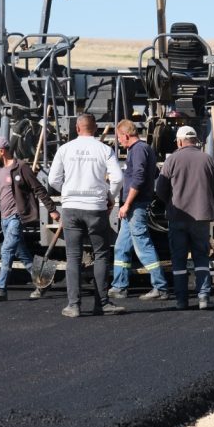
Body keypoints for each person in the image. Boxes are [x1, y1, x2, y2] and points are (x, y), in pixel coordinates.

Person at [48, 113, 125, 318]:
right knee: (101, 254)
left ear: (77, 128)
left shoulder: (65, 149)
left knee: (73, 256)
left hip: (71, 208)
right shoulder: (104, 149)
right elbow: (118, 178)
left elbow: (53, 179)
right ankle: (102, 303)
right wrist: (109, 197)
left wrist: (67, 192)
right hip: (95, 208)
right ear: (96, 128)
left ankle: (73, 305)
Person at [0, 136, 60, 302]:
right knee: (20, 252)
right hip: (4, 217)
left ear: (2, 151)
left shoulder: (21, 167)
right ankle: (42, 282)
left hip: (17, 217)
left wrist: (52, 210)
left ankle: (1, 289)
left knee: (6, 250)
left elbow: (38, 189)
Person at [154, 125, 214, 310]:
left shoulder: (172, 160)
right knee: (201, 257)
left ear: (179, 141)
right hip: (201, 217)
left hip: (177, 217)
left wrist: (171, 202)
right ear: (195, 140)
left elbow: (160, 189)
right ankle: (204, 297)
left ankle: (182, 300)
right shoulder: (207, 159)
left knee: (179, 259)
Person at [110, 120, 170, 300]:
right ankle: (119, 286)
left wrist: (127, 203)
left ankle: (160, 287)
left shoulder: (138, 150)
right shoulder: (142, 149)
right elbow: (152, 174)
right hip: (134, 207)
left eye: (119, 137)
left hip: (135, 206)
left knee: (143, 245)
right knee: (121, 247)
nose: (119, 141)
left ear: (126, 135)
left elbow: (138, 177)